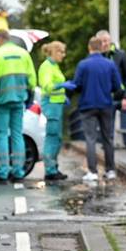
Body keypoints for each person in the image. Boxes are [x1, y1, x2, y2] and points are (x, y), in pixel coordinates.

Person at [67, 35, 124, 183]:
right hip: (106, 104)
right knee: (108, 138)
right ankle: (110, 170)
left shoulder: (83, 65)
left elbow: (77, 85)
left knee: (90, 139)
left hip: (87, 105)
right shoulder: (109, 64)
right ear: (101, 47)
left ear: (89, 48)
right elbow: (118, 87)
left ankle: (92, 171)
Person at [0, 29, 37, 183]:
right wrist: (28, 97)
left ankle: (3, 172)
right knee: (17, 134)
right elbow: (32, 80)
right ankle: (18, 171)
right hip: (19, 100)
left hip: (1, 101)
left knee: (2, 135)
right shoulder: (23, 54)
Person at [96, 29, 126, 153]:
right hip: (106, 99)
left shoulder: (120, 55)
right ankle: (109, 153)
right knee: (107, 128)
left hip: (122, 96)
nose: (104, 44)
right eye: (101, 42)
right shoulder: (96, 58)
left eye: (106, 41)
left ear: (110, 41)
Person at [35, 41, 69, 181]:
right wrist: (61, 85)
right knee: (52, 137)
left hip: (57, 104)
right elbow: (47, 86)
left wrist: (63, 94)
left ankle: (53, 167)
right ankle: (50, 170)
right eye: (61, 52)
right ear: (54, 52)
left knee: (57, 138)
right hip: (51, 105)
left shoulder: (54, 66)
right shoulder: (47, 66)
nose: (63, 55)